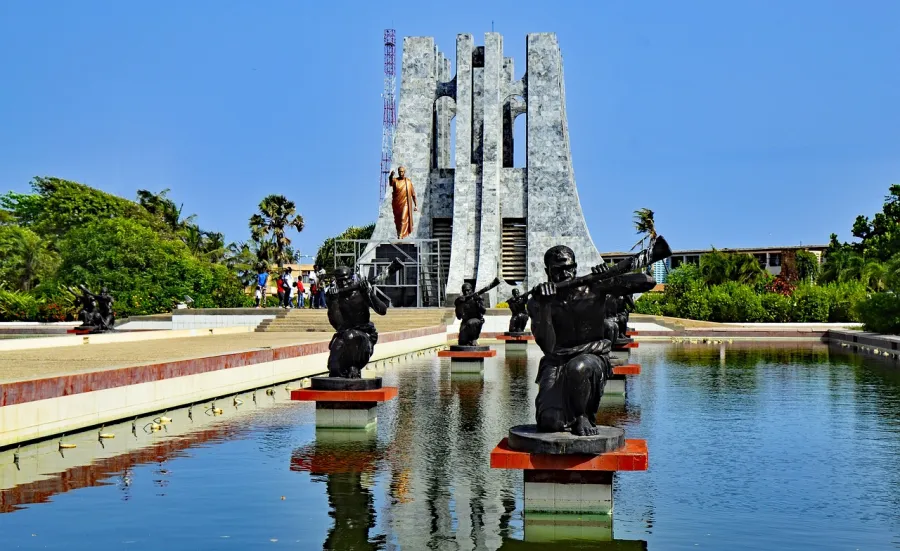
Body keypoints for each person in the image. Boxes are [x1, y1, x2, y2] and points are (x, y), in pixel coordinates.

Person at [325, 266, 389, 378]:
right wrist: (333, 302)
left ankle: (354, 366)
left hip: (365, 336)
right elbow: (339, 325)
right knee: (334, 368)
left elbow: (382, 310)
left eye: (346, 279)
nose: (344, 283)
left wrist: (369, 293)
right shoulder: (335, 297)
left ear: (351, 278)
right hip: (344, 335)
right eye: (340, 281)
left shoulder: (361, 293)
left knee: (350, 336)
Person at [389, 166, 418, 239]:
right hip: (397, 204)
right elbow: (390, 183)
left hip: (405, 203)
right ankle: (399, 233)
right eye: (399, 172)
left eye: (402, 171)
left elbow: (413, 194)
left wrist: (416, 205)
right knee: (398, 221)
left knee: (403, 219)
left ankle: (400, 236)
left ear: (404, 172)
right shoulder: (395, 180)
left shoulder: (408, 182)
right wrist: (391, 175)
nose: (400, 173)